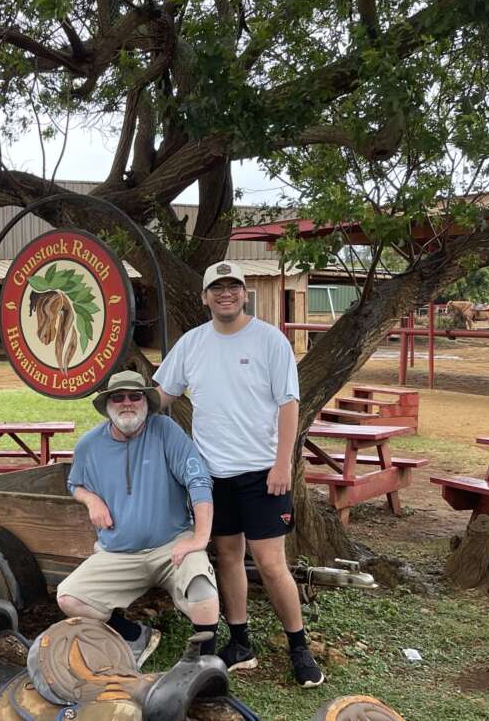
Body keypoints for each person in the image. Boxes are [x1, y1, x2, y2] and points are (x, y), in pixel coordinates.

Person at [153, 260, 324, 688]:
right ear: (205, 297)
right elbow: (162, 393)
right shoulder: (192, 344)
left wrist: (282, 463)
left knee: (270, 564)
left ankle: (298, 646)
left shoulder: (270, 341)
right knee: (227, 556)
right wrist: (123, 407)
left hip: (263, 474)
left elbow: (289, 405)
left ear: (244, 294)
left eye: (233, 287)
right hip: (212, 475)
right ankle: (240, 641)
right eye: (217, 288)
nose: (225, 294)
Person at [55, 371, 219, 668]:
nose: (127, 403)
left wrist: (200, 538)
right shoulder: (89, 445)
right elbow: (74, 483)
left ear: (146, 401)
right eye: (118, 397)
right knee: (69, 597)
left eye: (135, 396)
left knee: (202, 590)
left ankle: (205, 665)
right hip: (118, 553)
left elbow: (198, 480)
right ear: (107, 405)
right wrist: (91, 499)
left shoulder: (165, 430)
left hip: (171, 546)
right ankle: (134, 635)